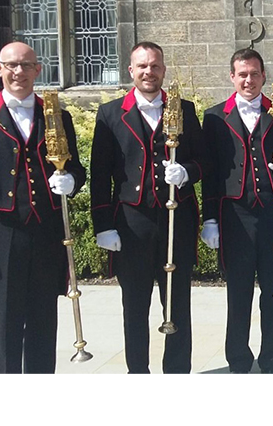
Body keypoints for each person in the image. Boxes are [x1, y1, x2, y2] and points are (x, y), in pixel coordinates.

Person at [91, 41, 207, 374]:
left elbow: (205, 161)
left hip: (176, 221)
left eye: (155, 66)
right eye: (142, 66)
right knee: (135, 306)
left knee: (178, 305)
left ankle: (176, 373)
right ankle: (138, 374)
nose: (148, 72)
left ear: (163, 70)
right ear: (131, 70)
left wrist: (187, 172)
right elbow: (101, 174)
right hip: (131, 223)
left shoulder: (183, 110)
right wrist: (103, 224)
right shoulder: (111, 113)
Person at [0, 42, 86, 373]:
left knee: (43, 325)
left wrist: (71, 181)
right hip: (2, 237)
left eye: (26, 66)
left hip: (47, 234)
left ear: (37, 70)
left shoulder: (57, 116)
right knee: (5, 328)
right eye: (11, 65)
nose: (19, 72)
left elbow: (77, 169)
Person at [201, 48, 273, 374]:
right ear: (232, 77)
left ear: (263, 76)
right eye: (242, 74)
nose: (248, 80)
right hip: (235, 218)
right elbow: (211, 172)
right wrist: (210, 218)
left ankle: (272, 359)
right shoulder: (215, 117)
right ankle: (239, 362)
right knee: (238, 295)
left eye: (254, 73)